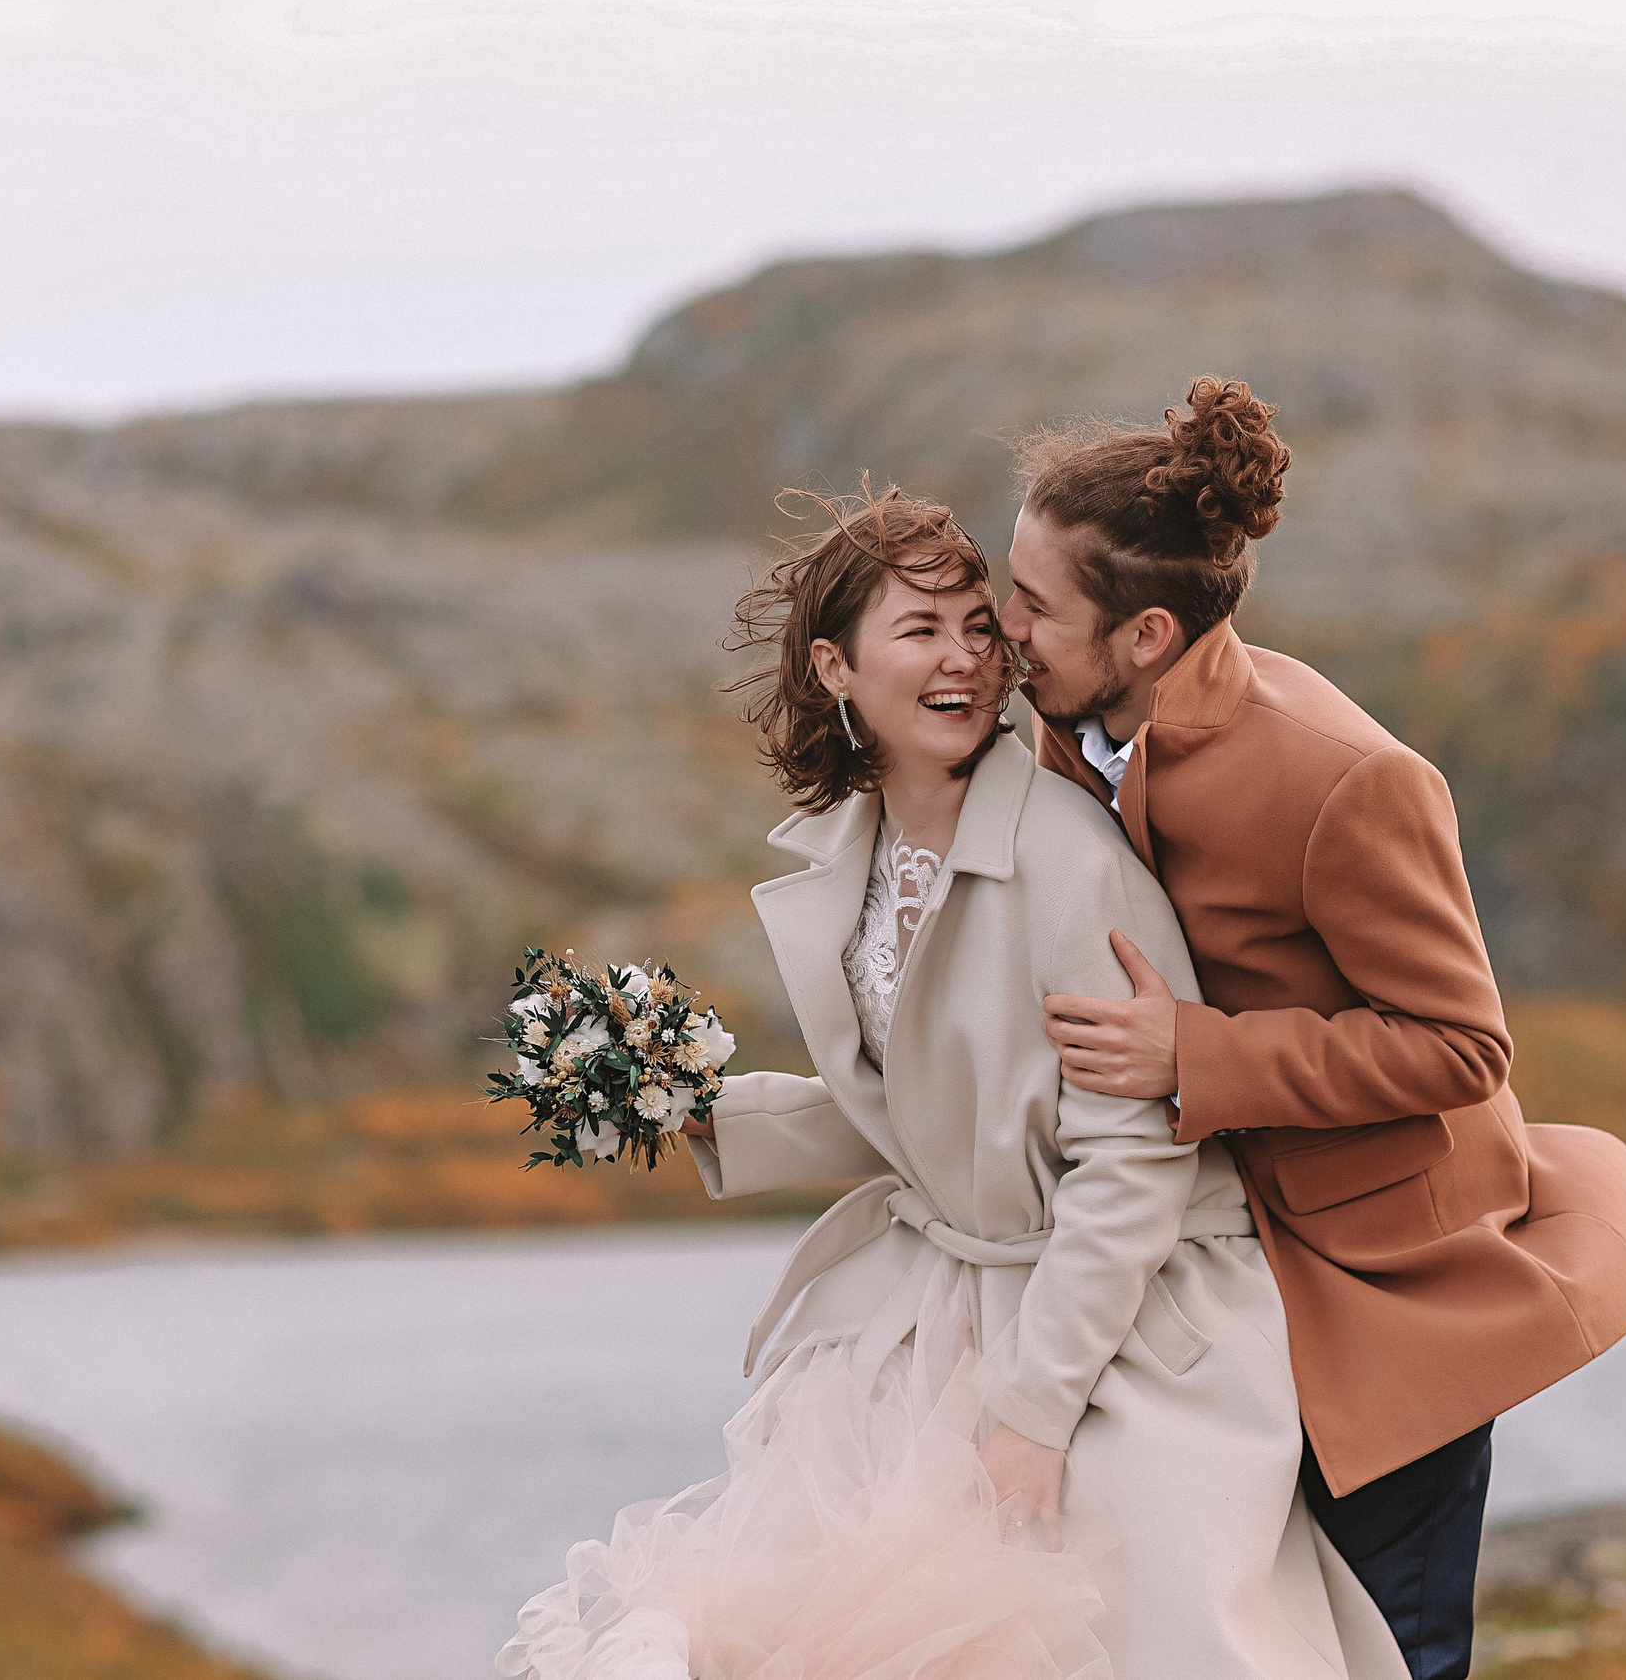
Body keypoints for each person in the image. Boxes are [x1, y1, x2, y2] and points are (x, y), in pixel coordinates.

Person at [499, 484, 1406, 1679]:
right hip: (943, 1300)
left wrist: (1031, 1418)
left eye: (981, 627)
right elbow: (933, 1112)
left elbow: (1134, 1161)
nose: (968, 661)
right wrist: (687, 1104)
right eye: (922, 631)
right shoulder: (851, 852)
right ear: (836, 667)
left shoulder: (1069, 858)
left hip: (1116, 1306)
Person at [998, 376, 1626, 1680]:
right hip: (1206, 1286)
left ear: (1143, 633)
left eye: (1031, 602)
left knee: (1392, 1651)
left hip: (1381, 1295)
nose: (999, 623)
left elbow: (1461, 1045)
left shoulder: (1343, 776)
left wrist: (1198, 1054)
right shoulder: (1071, 732)